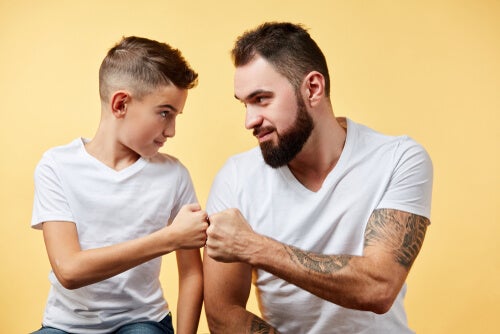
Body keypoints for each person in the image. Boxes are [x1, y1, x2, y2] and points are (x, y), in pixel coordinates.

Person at [203, 22, 433, 334]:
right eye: (244, 103)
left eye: (261, 99)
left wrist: (253, 246)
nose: (249, 120)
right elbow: (222, 313)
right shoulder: (236, 178)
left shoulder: (398, 159)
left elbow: (378, 288)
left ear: (312, 88)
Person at [31, 36, 208, 334]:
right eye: (165, 113)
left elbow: (192, 274)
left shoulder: (174, 175)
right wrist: (169, 238)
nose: (172, 130)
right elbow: (69, 270)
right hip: (66, 326)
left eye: (176, 116)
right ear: (121, 103)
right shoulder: (56, 166)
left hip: (142, 322)